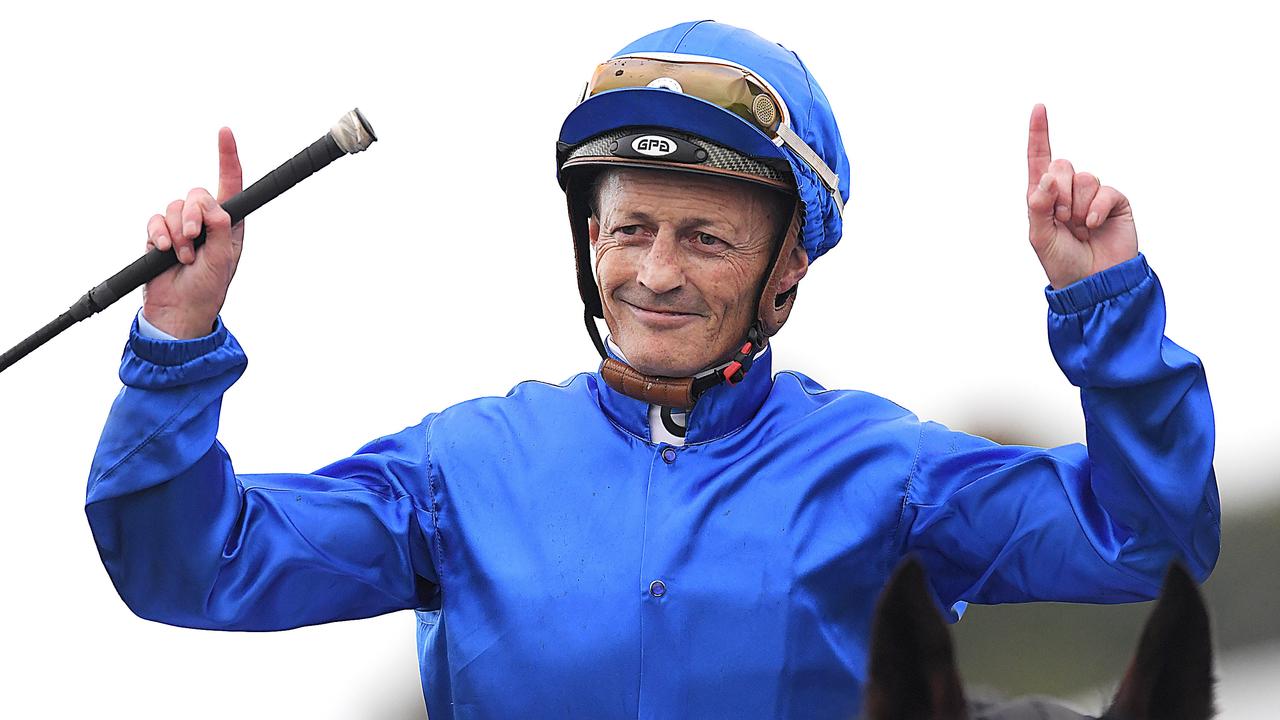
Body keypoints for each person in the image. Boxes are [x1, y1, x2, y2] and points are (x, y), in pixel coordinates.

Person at [85, 20, 1219, 719]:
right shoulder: (461, 469)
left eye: (706, 237)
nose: (656, 275)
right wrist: (176, 341)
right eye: (629, 230)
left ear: (787, 271)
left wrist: (1101, 304)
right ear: (590, 243)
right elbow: (186, 568)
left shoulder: (881, 469)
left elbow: (1150, 540)